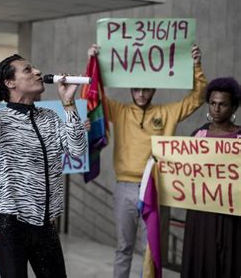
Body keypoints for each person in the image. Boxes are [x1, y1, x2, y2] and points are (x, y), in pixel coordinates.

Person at [0, 55, 88, 277]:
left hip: (45, 221)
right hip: (10, 221)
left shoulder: (49, 117)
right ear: (10, 83)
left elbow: (77, 149)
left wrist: (68, 103)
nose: (38, 72)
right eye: (28, 70)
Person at [87, 44, 207, 278]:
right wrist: (93, 62)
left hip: (156, 187)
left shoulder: (168, 112)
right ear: (131, 89)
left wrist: (196, 64)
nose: (141, 94)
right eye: (137, 89)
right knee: (123, 248)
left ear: (154, 89)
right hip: (124, 187)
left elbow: (198, 97)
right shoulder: (120, 111)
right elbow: (94, 94)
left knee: (151, 251)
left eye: (147, 89)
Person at [181, 77, 240, 278]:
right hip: (201, 213)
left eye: (223, 104)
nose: (216, 109)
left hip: (231, 216)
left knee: (227, 262)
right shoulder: (198, 135)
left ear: (234, 107)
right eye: (213, 103)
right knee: (200, 261)